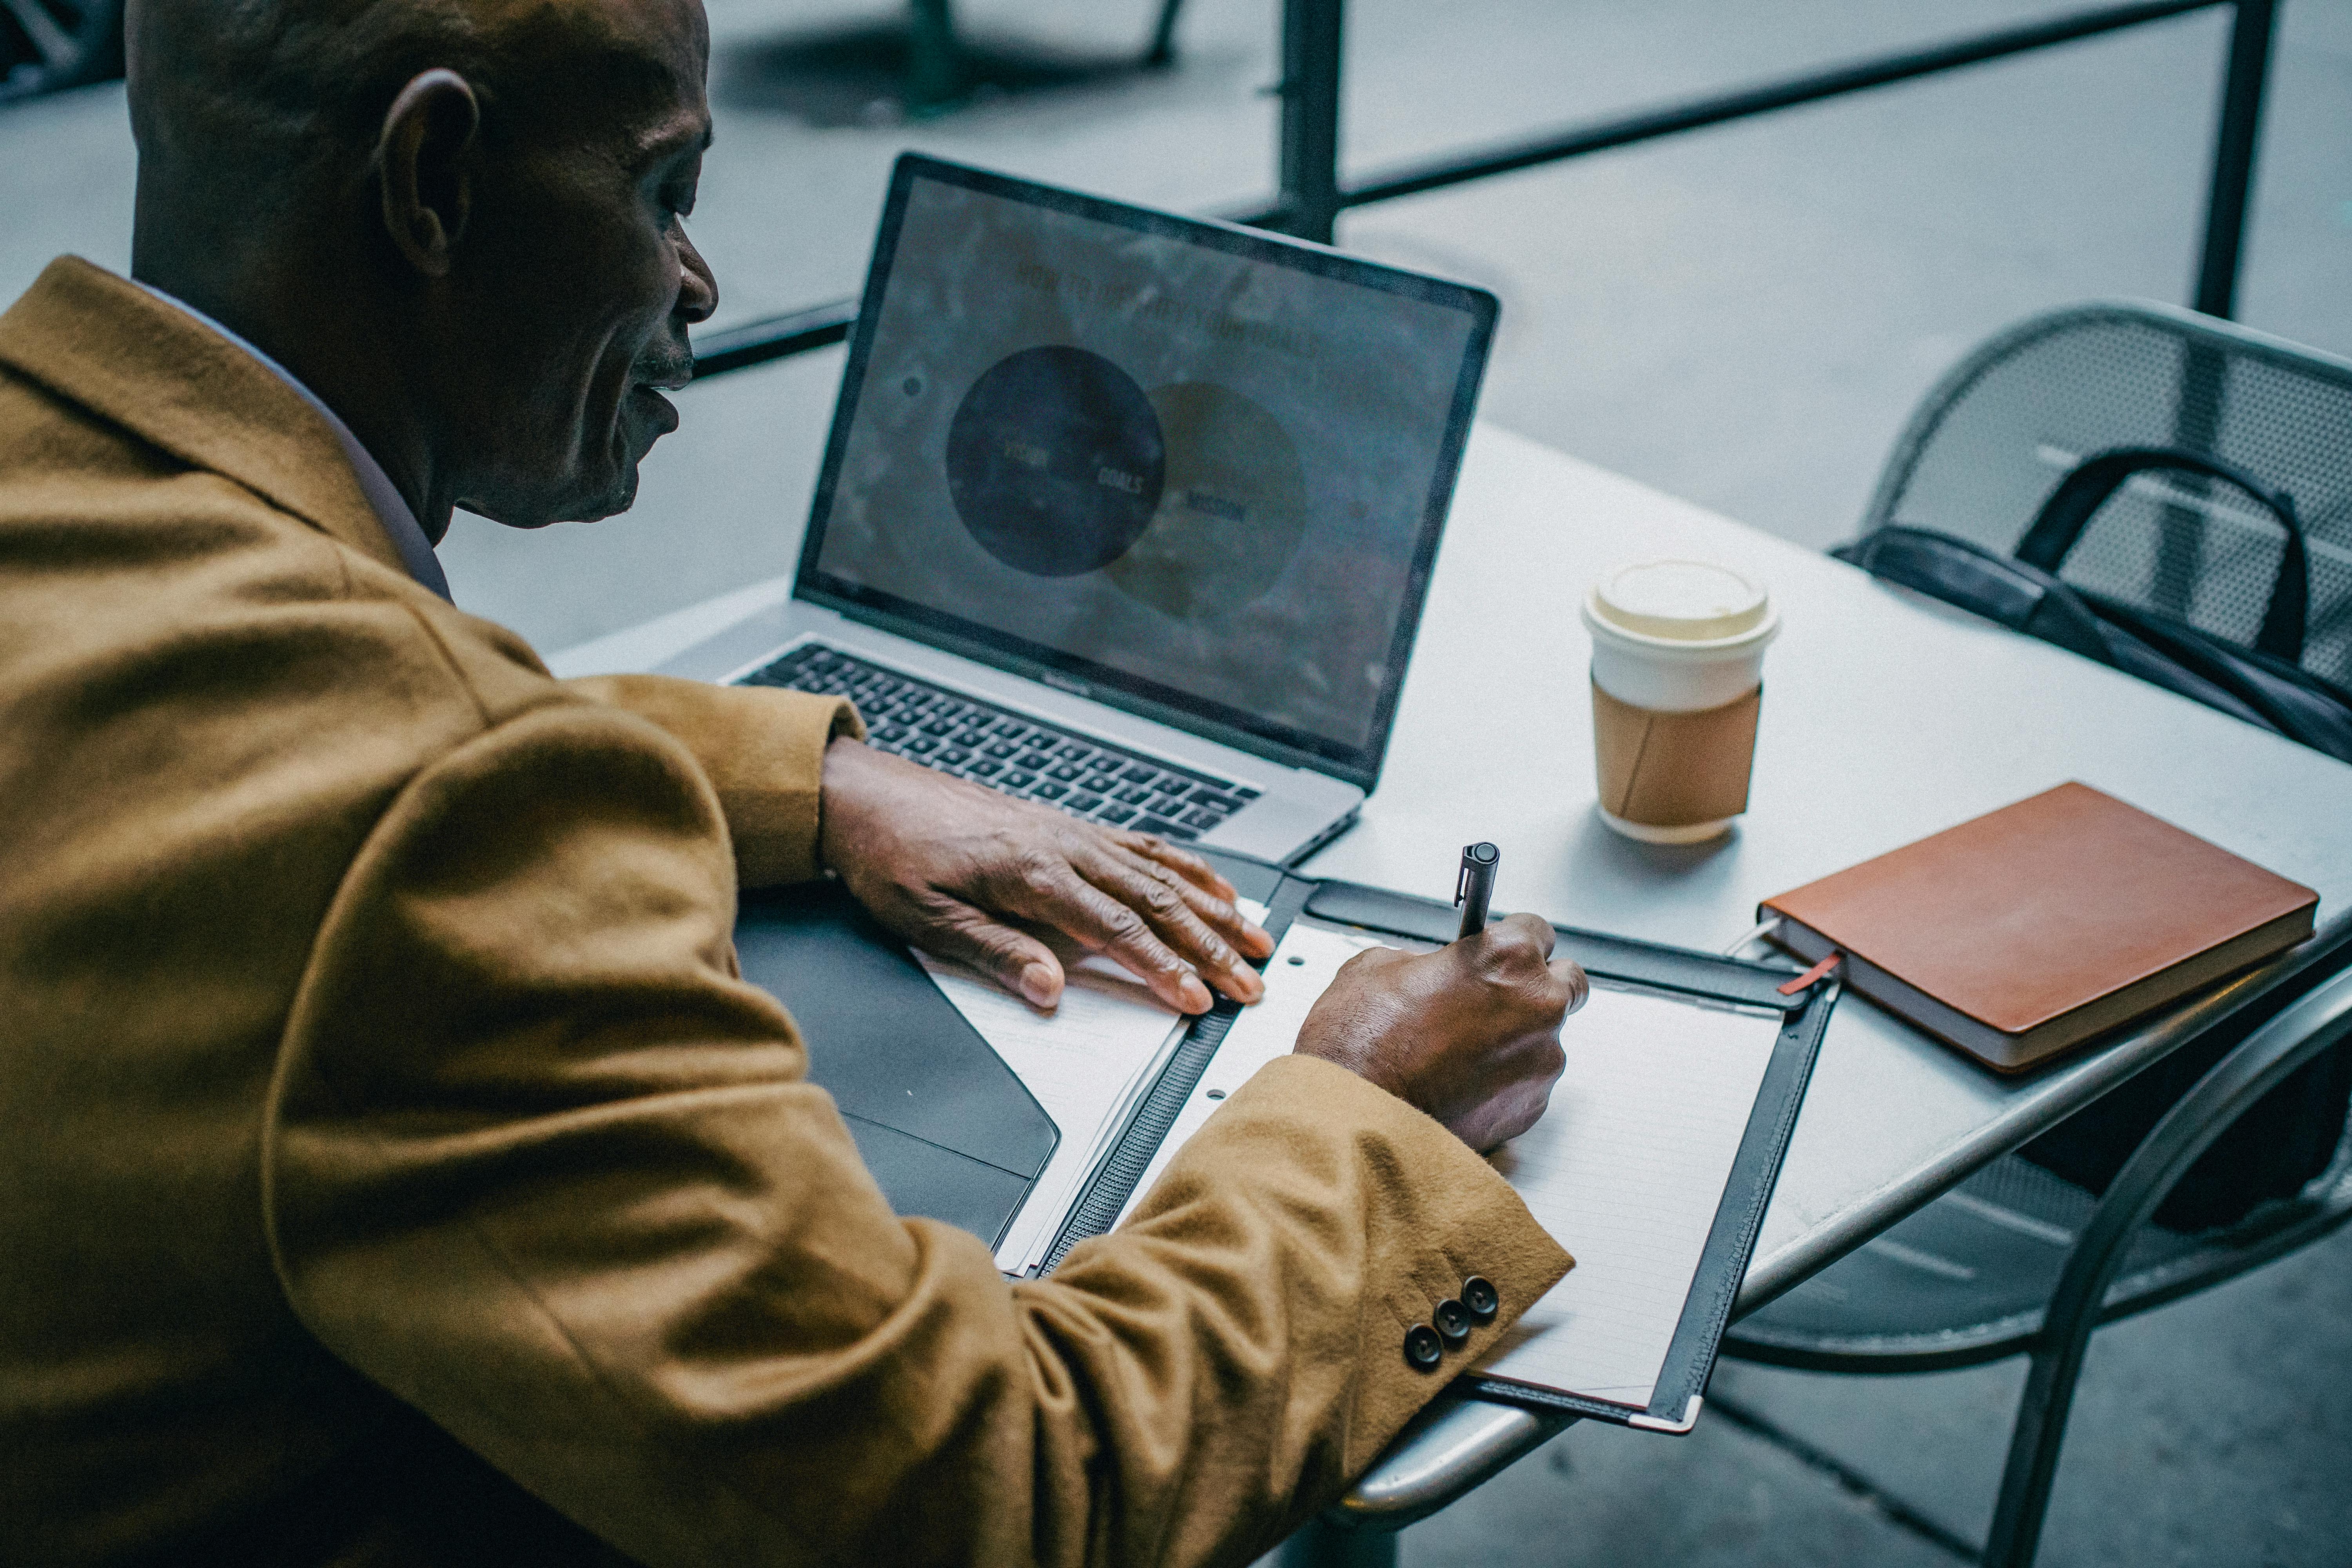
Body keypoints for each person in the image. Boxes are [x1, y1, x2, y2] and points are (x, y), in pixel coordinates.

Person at [0, 1, 1586, 1563]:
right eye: (661, 192)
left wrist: (821, 785)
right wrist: (1371, 1110)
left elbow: (286, 736)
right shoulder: (436, 819)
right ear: (434, 182)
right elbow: (992, 1494)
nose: (695, 278)